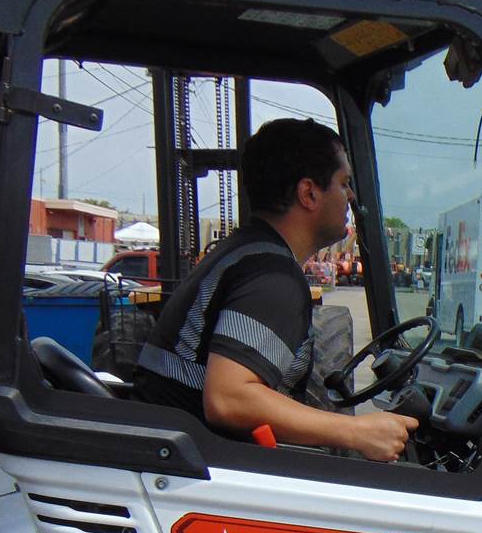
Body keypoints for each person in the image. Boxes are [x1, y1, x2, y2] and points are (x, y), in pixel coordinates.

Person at [133, 119, 417, 462]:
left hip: (182, 453)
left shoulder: (244, 252)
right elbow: (229, 398)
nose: (352, 197)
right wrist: (358, 432)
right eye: (344, 184)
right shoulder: (273, 278)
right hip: (197, 468)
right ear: (309, 193)